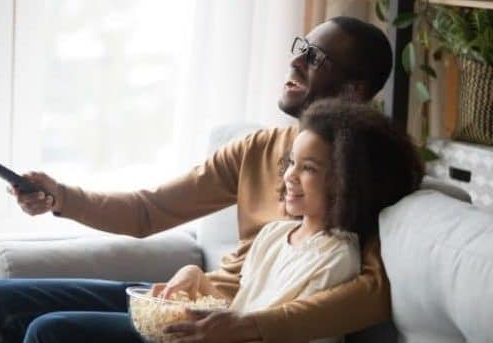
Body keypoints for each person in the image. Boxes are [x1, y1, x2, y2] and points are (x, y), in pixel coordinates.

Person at [0, 16, 397, 343]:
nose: (295, 60)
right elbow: (148, 210)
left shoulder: (362, 172)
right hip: (195, 300)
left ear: (354, 91)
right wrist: (60, 197)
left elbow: (374, 292)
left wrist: (250, 326)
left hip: (226, 323)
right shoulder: (259, 147)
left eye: (315, 58)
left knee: (51, 331)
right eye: (301, 47)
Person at [154, 99, 424, 343]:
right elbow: (239, 309)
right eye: (292, 162)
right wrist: (198, 279)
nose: (289, 176)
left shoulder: (337, 257)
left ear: (348, 183)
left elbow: (283, 331)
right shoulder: (272, 234)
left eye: (308, 168)